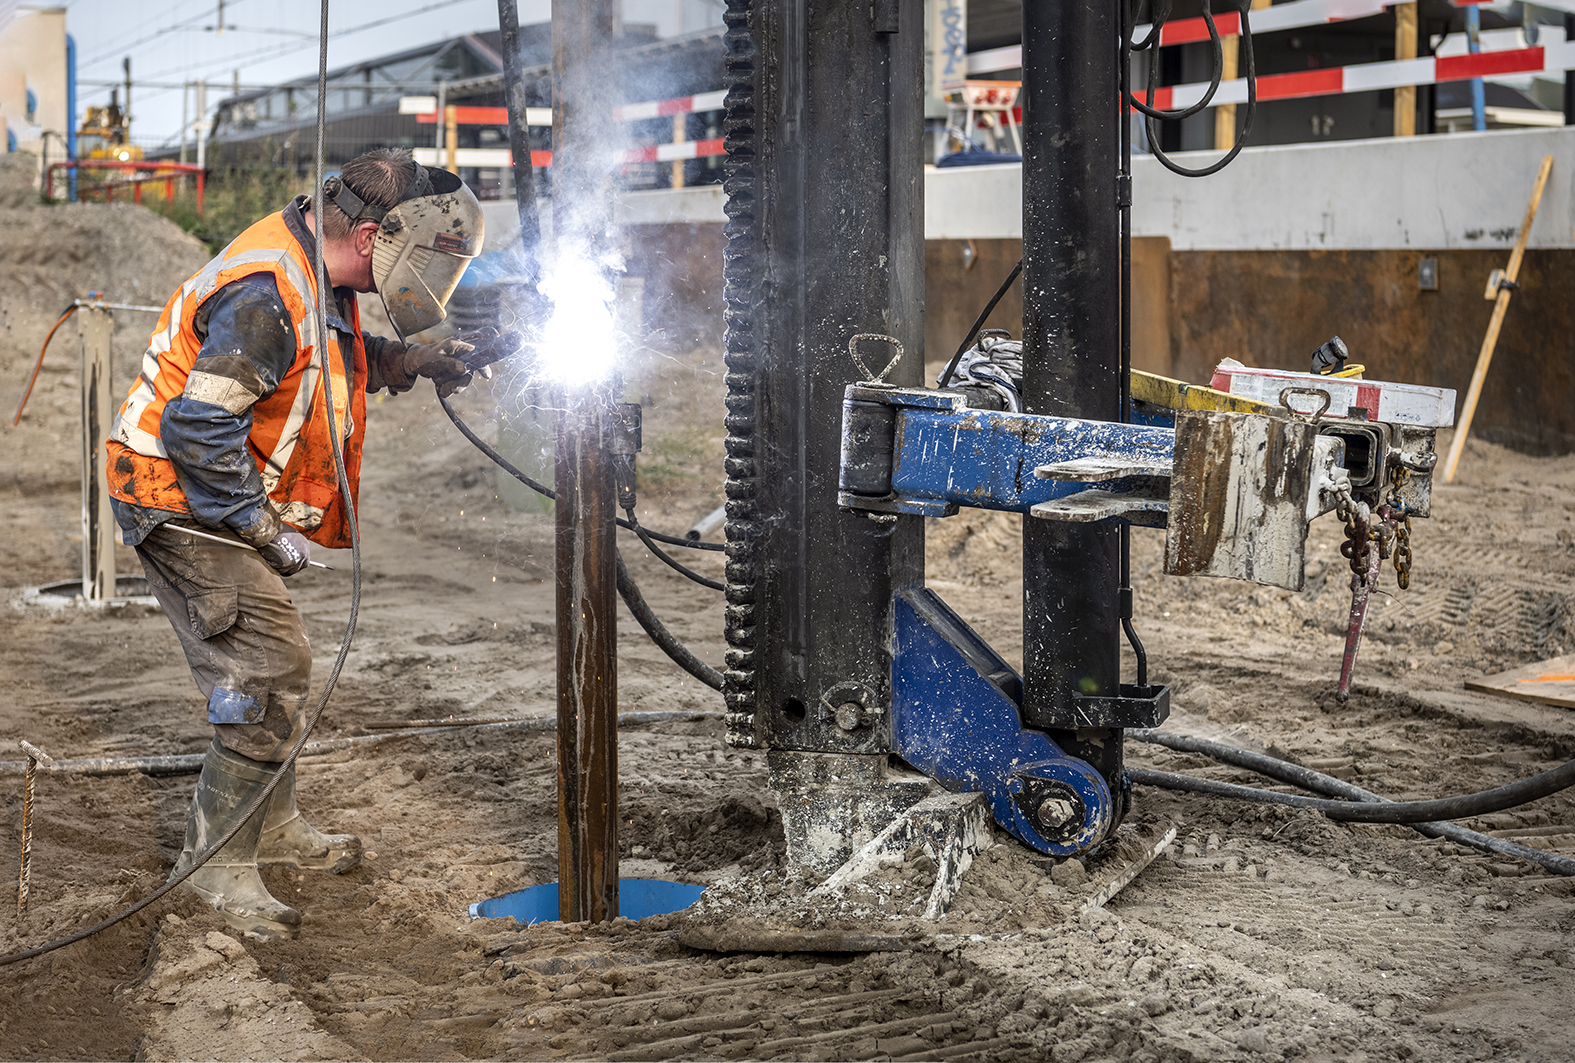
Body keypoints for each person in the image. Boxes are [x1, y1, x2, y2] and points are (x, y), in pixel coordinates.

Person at [104, 148, 483, 941]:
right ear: (377, 234)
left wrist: (411, 358)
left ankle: (270, 828)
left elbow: (331, 359)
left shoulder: (319, 268)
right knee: (266, 664)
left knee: (281, 659)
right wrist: (261, 529)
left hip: (209, 489)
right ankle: (211, 869)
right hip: (177, 496)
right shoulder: (268, 292)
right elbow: (199, 425)